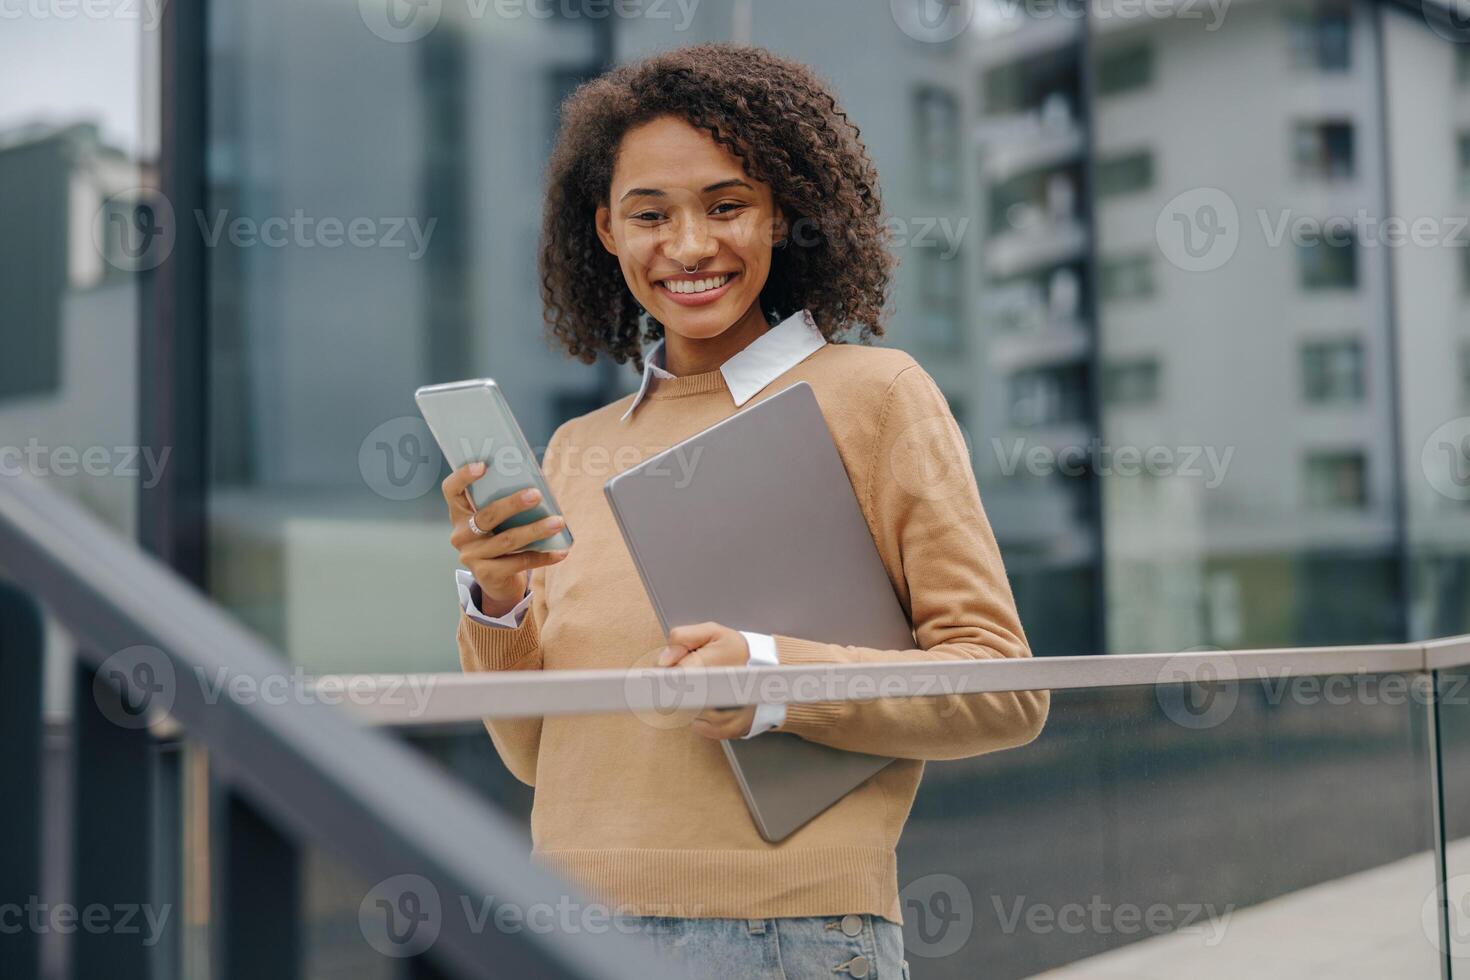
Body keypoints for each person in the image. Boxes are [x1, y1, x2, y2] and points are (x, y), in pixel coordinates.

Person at [442, 43, 1049, 980]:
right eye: (650, 215)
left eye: (727, 206)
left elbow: (1003, 691)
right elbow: (538, 758)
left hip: (782, 939)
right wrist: (495, 600)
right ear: (606, 231)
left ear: (785, 216)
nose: (688, 246)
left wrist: (770, 678)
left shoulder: (875, 395)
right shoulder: (576, 448)